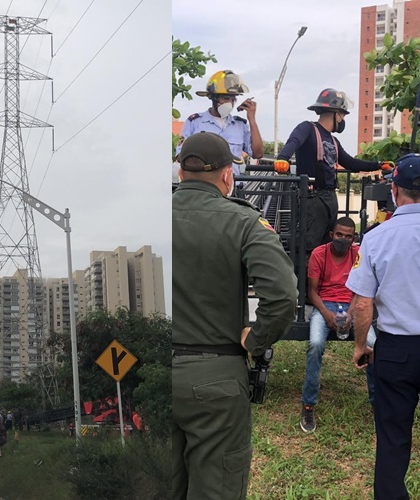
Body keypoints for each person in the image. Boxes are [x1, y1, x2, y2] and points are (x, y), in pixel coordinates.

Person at [172, 131, 298, 500]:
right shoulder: (244, 222)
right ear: (228, 175)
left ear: (180, 173)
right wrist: (255, 341)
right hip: (216, 377)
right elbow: (283, 296)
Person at [346, 153, 420, 499]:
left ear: (394, 189)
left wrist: (360, 346)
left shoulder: (376, 238)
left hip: (395, 351)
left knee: (392, 439)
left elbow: (364, 303)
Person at [274, 88, 393, 256]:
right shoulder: (308, 129)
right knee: (308, 247)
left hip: (329, 198)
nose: (343, 119)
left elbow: (350, 162)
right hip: (312, 199)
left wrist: (378, 165)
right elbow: (294, 141)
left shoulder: (333, 140)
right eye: (343, 115)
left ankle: (323, 281)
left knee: (327, 246)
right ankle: (304, 281)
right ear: (336, 113)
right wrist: (283, 158)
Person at [300, 217, 376, 433]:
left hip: (352, 304)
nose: (343, 239)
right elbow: (312, 292)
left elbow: (361, 290)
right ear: (332, 235)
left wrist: (351, 314)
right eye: (339, 234)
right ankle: (308, 404)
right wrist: (327, 315)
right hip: (325, 305)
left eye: (348, 236)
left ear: (354, 238)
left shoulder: (357, 254)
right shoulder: (319, 254)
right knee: (315, 344)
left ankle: (377, 404)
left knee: (373, 344)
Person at [176, 70, 263, 175]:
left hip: (234, 186)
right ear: (213, 98)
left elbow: (257, 154)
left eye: (233, 99)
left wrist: (252, 119)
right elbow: (180, 157)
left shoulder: (240, 125)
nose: (230, 103)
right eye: (226, 98)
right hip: (205, 186)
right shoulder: (195, 122)